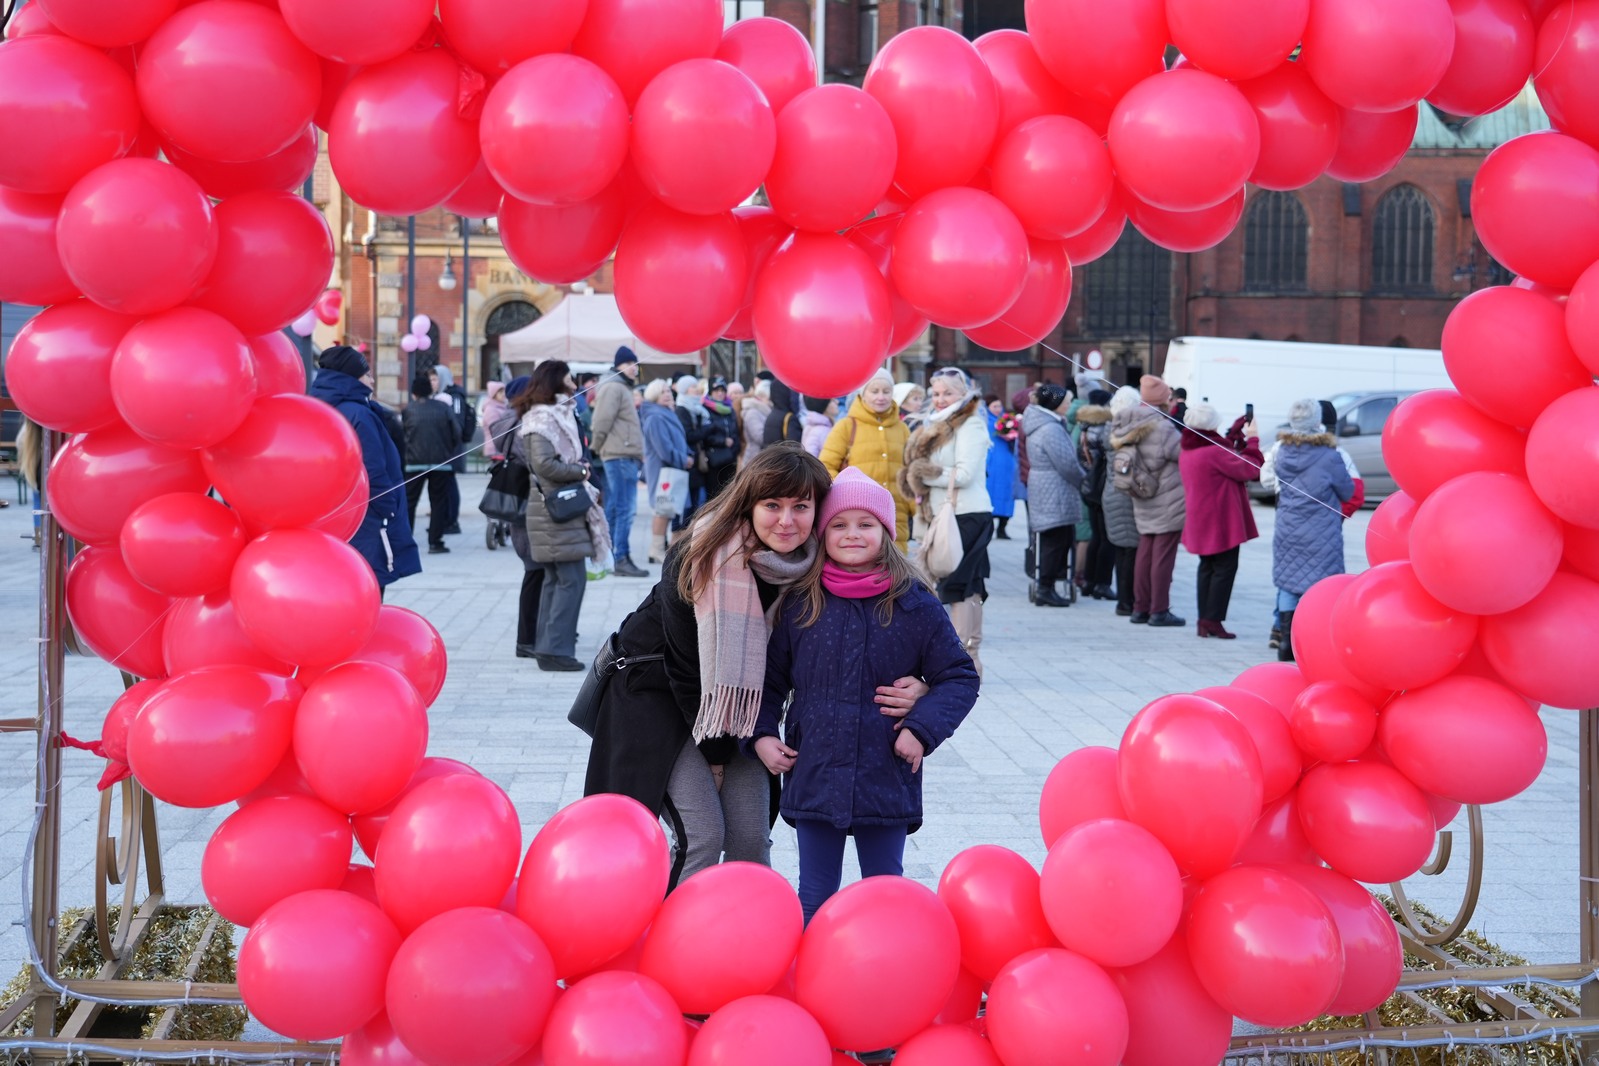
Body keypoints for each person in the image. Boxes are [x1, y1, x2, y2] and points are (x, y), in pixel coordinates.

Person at [584, 445, 931, 888]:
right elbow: (687, 670)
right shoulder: (700, 554)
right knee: (705, 836)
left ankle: (746, 939)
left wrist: (922, 686)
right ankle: (670, 939)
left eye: (800, 507)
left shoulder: (813, 565)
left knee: (750, 836)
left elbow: (860, 640)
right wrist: (716, 760)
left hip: (744, 711)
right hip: (661, 701)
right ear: (748, 504)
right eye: (772, 505)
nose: (786, 521)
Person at [751, 467, 979, 922]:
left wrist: (921, 729)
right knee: (815, 895)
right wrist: (761, 734)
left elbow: (959, 675)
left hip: (885, 772)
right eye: (839, 524)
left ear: (886, 531)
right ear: (822, 532)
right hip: (814, 767)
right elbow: (770, 679)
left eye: (865, 524)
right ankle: (809, 986)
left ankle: (887, 984)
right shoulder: (802, 600)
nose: (852, 534)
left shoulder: (914, 602)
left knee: (885, 895)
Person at [900, 367, 993, 676]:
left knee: (960, 586)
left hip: (965, 514)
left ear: (962, 393)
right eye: (936, 393)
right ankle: (968, 662)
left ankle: (960, 660)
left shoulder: (971, 424)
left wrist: (922, 473)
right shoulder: (936, 424)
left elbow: (965, 474)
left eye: (947, 393)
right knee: (965, 585)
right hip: (944, 516)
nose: (940, 399)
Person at [519, 360, 609, 672]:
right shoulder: (541, 420)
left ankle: (549, 647)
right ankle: (555, 650)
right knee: (569, 579)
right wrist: (580, 470)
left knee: (559, 580)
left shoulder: (558, 414)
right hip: (555, 510)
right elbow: (545, 465)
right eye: (570, 377)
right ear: (557, 382)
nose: (575, 382)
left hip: (557, 510)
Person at [309, 346, 422, 592]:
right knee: (368, 587)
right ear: (352, 377)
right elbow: (373, 469)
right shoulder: (359, 413)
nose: (372, 379)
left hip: (336, 514)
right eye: (367, 373)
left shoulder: (320, 407)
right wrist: (389, 508)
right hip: (368, 516)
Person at [1272, 398, 1355, 661]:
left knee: (1288, 583)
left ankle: (1285, 641)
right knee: (1320, 585)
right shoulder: (1330, 456)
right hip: (1321, 529)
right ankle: (1312, 640)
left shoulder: (1282, 451)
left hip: (1288, 525)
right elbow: (1347, 490)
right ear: (1316, 421)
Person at [1178, 402, 1263, 639]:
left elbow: (1229, 456)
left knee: (1207, 567)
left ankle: (1205, 619)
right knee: (1224, 569)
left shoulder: (1189, 449)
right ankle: (1212, 619)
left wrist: (1234, 434)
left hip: (1201, 517)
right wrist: (1253, 439)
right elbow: (1251, 469)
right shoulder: (1214, 452)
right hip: (1220, 519)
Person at [1109, 375, 1186, 627]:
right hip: (1167, 499)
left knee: (1145, 552)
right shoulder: (1163, 427)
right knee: (1162, 557)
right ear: (1163, 400)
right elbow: (1181, 454)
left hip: (1141, 495)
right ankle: (1159, 610)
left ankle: (1140, 607)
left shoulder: (1127, 420)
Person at [819, 368, 912, 550]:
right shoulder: (846, 426)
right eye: (874, 391)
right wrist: (846, 494)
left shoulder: (902, 429)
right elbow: (825, 466)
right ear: (863, 393)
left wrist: (915, 507)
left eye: (886, 391)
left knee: (895, 567)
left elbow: (909, 471)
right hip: (858, 513)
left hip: (896, 512)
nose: (881, 397)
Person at [490, 377, 542, 658]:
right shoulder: (522, 428)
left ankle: (533, 634)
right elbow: (539, 463)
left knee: (534, 570)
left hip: (521, 503)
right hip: (528, 504)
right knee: (535, 571)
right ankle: (527, 639)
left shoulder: (510, 423)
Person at [1021, 383, 1084, 607]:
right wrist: (1082, 478)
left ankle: (1047, 585)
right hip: (1054, 488)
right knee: (1055, 540)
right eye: (1066, 402)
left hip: (1046, 485)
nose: (1069, 405)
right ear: (1055, 404)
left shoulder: (1045, 424)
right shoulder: (1050, 428)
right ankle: (1045, 588)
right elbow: (1066, 463)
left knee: (1056, 538)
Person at [589, 346, 650, 578]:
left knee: (616, 507)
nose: (635, 369)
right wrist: (595, 447)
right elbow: (602, 420)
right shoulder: (614, 386)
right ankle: (621, 557)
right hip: (619, 454)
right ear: (620, 365)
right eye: (631, 364)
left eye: (636, 364)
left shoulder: (621, 387)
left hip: (622, 454)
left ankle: (612, 556)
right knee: (625, 509)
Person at [403, 373, 460, 555]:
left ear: (414, 393)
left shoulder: (408, 410)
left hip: (413, 463)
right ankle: (435, 542)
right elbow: (456, 433)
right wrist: (447, 450)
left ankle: (405, 540)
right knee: (438, 502)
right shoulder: (443, 408)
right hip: (441, 462)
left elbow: (401, 435)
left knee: (409, 502)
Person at [1100, 387, 1143, 615]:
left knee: (1122, 550)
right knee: (1130, 551)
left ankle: (1124, 600)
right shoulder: (1126, 433)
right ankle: (1127, 602)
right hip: (1125, 495)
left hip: (1111, 493)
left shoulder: (1110, 428)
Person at [641, 377, 691, 564]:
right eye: (662, 392)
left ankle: (660, 548)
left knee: (667, 509)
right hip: (663, 470)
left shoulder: (666, 413)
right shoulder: (655, 417)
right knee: (662, 509)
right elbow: (663, 448)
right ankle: (656, 548)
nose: (667, 394)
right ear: (654, 395)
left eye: (668, 391)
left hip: (672, 468)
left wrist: (688, 455)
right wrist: (683, 459)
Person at [430, 364, 474, 535]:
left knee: (449, 483)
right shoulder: (439, 396)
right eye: (431, 379)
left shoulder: (454, 397)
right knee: (445, 484)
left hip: (452, 448)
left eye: (435, 379)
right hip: (442, 448)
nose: (432, 383)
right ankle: (443, 520)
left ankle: (451, 520)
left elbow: (458, 424)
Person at [674, 375, 713, 528]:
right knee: (690, 505)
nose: (697, 391)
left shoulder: (696, 409)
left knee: (697, 502)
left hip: (696, 463)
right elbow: (689, 435)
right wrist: (707, 429)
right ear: (685, 390)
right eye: (693, 387)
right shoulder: (682, 410)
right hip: (689, 463)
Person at [984, 395, 1018, 541]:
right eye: (994, 406)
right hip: (992, 463)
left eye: (999, 406)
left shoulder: (1006, 421)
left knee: (1006, 494)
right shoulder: (985, 422)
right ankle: (989, 528)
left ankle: (1003, 528)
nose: (997, 409)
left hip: (1007, 463)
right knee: (991, 495)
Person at [703, 377, 742, 498]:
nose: (720, 393)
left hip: (730, 458)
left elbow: (735, 431)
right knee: (714, 494)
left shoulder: (730, 409)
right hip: (714, 458)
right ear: (710, 392)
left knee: (728, 493)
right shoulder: (705, 409)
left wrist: (734, 448)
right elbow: (705, 435)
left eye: (722, 390)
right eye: (716, 390)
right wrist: (723, 441)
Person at [763, 380, 807, 447]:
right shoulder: (790, 418)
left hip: (774, 456)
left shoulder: (771, 415)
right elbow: (795, 448)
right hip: (784, 457)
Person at [740, 379, 772, 465]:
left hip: (759, 457)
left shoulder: (764, 410)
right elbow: (759, 437)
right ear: (762, 396)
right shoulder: (753, 412)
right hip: (754, 459)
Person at [479, 381, 509, 461]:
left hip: (500, 446)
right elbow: (495, 429)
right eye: (500, 392)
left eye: (504, 391)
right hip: (495, 448)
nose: (503, 394)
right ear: (494, 394)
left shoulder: (503, 406)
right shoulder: (491, 409)